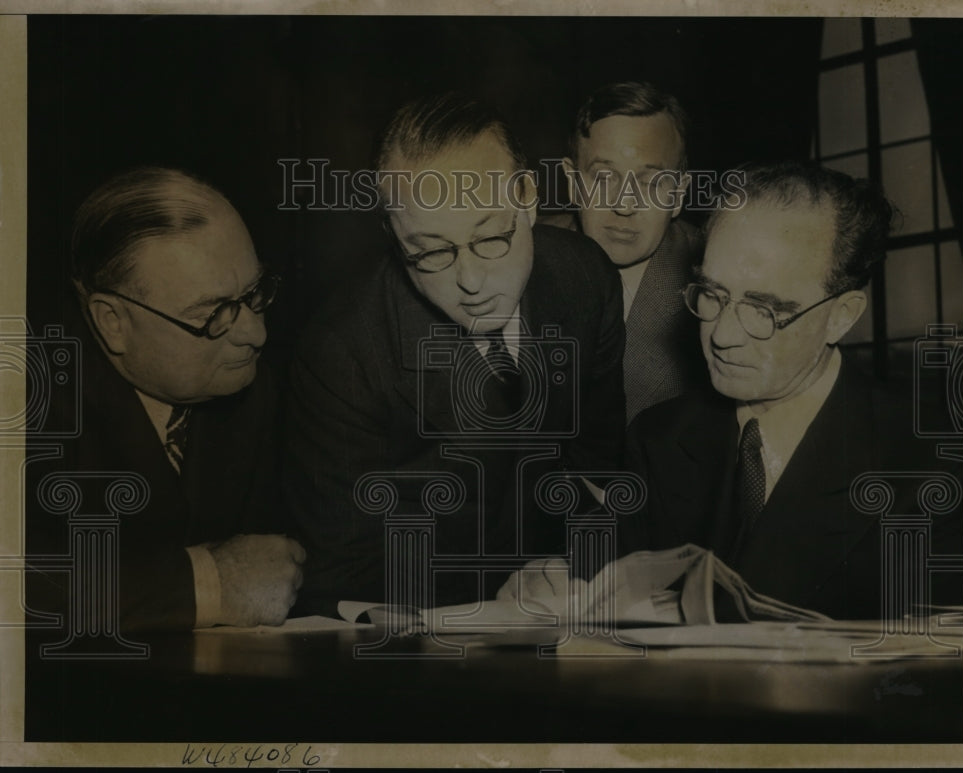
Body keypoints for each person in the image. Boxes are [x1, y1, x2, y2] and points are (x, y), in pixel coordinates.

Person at [284, 93, 626, 615]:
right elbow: (341, 576)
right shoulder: (342, 352)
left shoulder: (586, 278)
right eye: (430, 252)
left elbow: (603, 475)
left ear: (529, 198)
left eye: (490, 236)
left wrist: (570, 566)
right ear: (393, 238)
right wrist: (496, 603)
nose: (470, 282)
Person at [620, 160, 963, 620]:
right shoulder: (657, 439)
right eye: (712, 294)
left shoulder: (938, 463)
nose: (722, 335)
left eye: (764, 309)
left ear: (842, 315)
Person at [26, 167, 305, 631]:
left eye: (254, 295)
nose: (256, 333)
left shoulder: (248, 387)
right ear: (112, 321)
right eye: (213, 314)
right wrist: (209, 585)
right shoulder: (27, 398)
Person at [554, 82, 705, 422]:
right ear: (572, 181)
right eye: (605, 178)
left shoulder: (713, 276)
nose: (624, 204)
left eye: (651, 183)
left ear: (679, 193)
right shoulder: (521, 252)